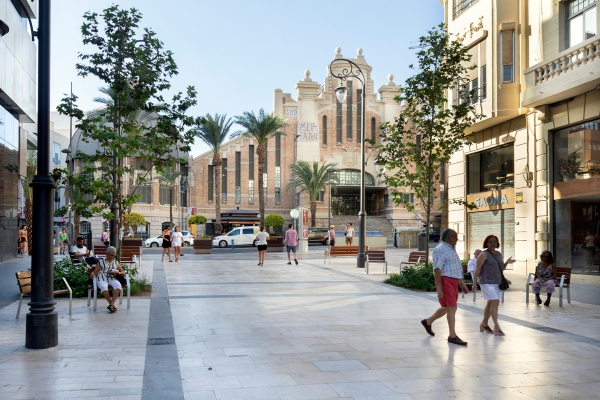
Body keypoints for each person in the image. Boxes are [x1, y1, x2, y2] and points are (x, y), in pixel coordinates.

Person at [421, 228, 470, 346]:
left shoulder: (450, 248)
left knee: (448, 307)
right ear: (449, 238)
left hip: (452, 281)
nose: (457, 240)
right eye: (456, 237)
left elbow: (455, 267)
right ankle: (452, 336)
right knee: (452, 308)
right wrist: (440, 289)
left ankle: (428, 322)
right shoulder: (440, 249)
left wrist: (461, 282)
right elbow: (437, 269)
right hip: (446, 281)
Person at [472, 235, 515, 336]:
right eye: (490, 242)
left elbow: (501, 269)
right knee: (495, 302)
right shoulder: (483, 254)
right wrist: (474, 283)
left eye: (495, 241)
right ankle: (497, 327)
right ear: (486, 243)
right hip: (486, 282)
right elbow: (477, 269)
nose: (493, 243)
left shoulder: (499, 254)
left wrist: (507, 263)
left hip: (496, 282)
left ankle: (484, 324)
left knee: (491, 303)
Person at [89, 246, 126, 313]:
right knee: (103, 287)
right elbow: (95, 271)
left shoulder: (116, 262)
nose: (111, 256)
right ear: (106, 253)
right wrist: (92, 273)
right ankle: (112, 304)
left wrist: (117, 272)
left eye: (113, 255)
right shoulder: (101, 261)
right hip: (102, 278)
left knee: (118, 286)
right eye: (110, 255)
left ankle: (111, 305)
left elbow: (123, 272)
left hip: (112, 278)